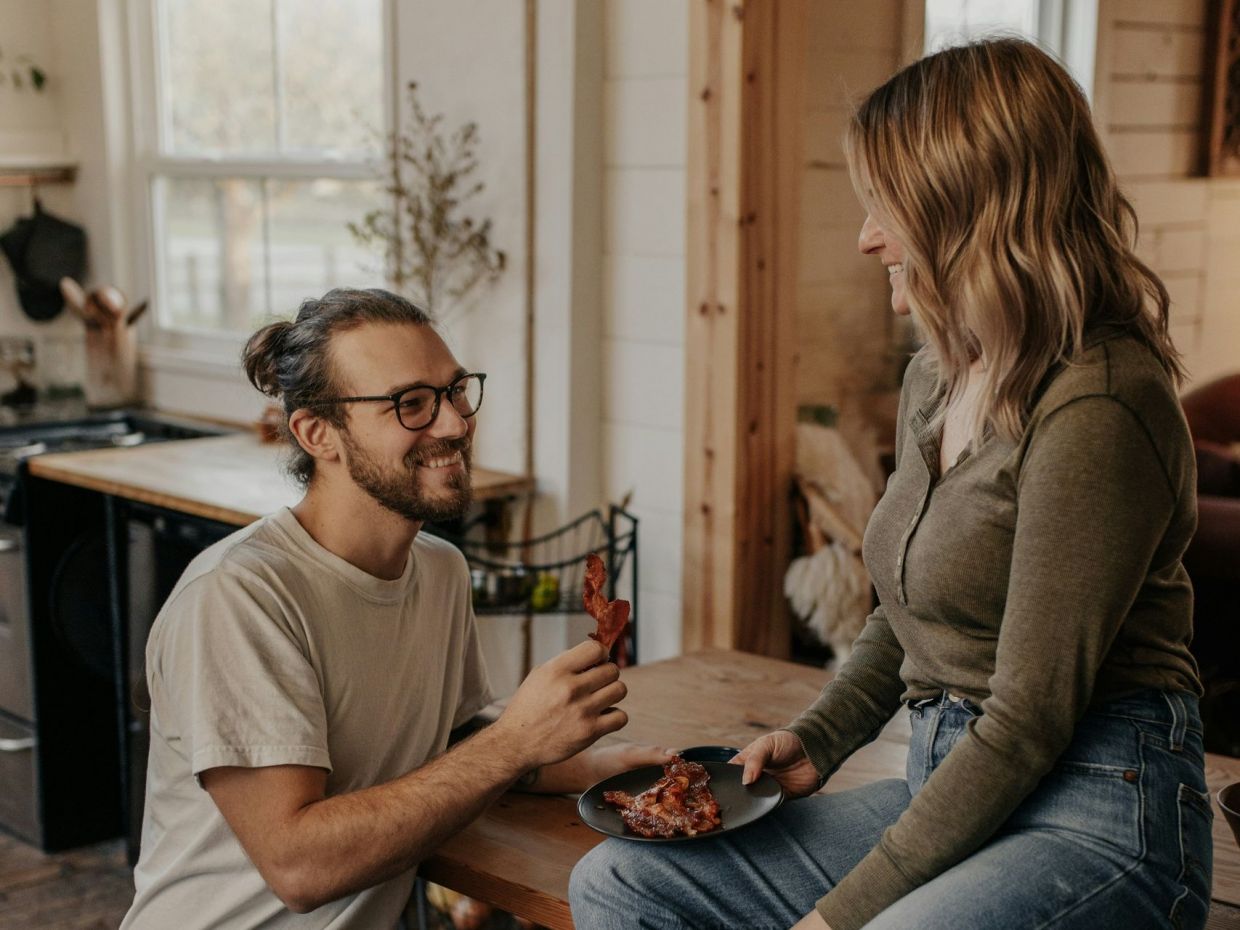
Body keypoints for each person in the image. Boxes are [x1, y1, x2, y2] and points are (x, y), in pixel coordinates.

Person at [570, 37, 1213, 930]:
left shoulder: (1100, 404)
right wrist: (822, 737)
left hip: (1101, 814)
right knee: (621, 883)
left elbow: (1028, 718)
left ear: (975, 212)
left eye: (889, 208)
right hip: (948, 783)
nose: (868, 237)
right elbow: (904, 612)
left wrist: (838, 918)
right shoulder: (942, 375)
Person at [121, 288, 669, 928]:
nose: (455, 424)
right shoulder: (240, 597)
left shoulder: (439, 569)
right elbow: (300, 867)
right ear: (317, 433)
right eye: (411, 404)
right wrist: (518, 741)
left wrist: (578, 765)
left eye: (455, 391)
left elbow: (452, 740)